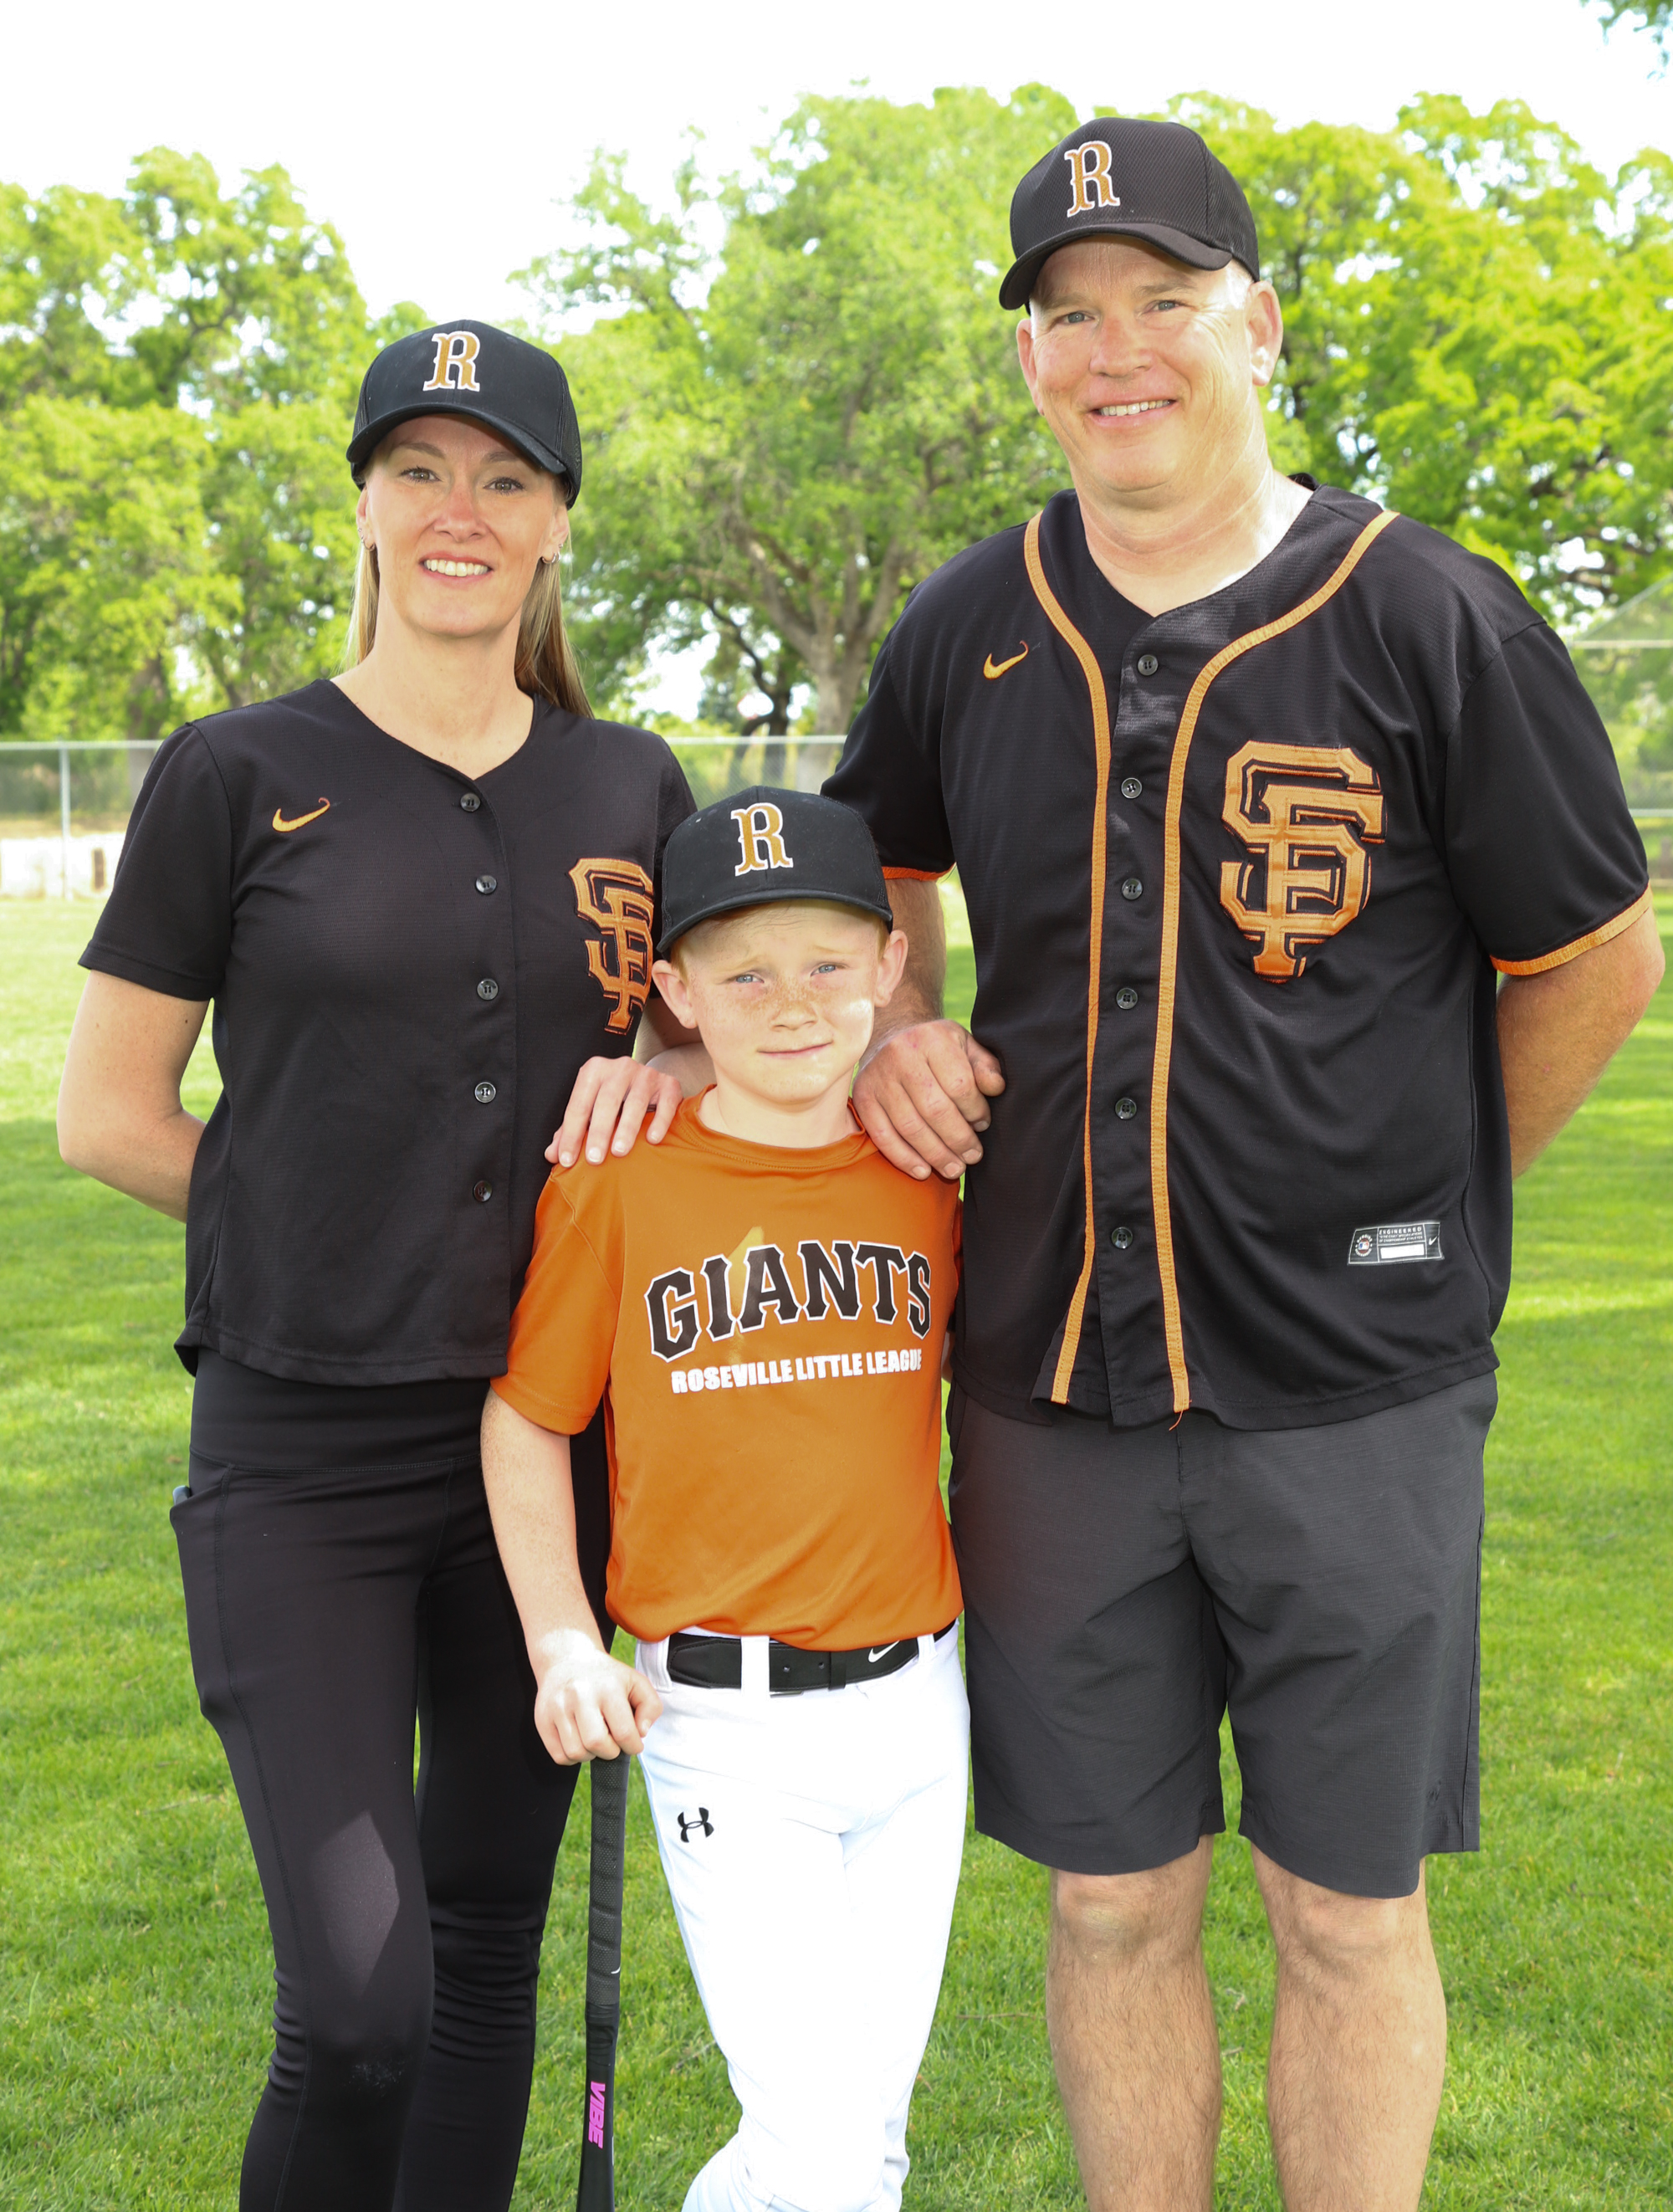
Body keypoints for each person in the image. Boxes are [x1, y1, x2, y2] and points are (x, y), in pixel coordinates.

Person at [816, 118, 1665, 2211]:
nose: (1115, 350)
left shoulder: (1429, 613)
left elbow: (1592, 955)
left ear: (1258, 324)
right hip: (1050, 1381)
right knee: (1109, 1901)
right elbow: (862, 870)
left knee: (1346, 1911)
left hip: (1352, 1396)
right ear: (1027, 358)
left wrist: (1435, 1183)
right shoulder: (967, 619)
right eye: (1067, 314)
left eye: (1163, 301)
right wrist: (900, 1015)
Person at [55, 319, 699, 2212]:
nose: (457, 510)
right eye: (417, 470)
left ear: (557, 523)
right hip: (304, 1455)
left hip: (550, 1451)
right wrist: (324, 1226)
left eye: (503, 477)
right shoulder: (239, 769)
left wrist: (670, 1072)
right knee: (356, 2005)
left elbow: (722, 1042)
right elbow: (107, 1114)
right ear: (362, 504)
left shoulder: (632, 787)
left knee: (485, 1947)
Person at [482, 786, 967, 2212]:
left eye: (827, 962)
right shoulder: (622, 1182)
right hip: (723, 1723)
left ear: (890, 962)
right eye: (744, 974)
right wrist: (561, 1641)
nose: (793, 1001)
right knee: (821, 2148)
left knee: (858, 2138)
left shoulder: (930, 1169)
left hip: (920, 1711)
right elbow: (528, 1417)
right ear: (676, 993)